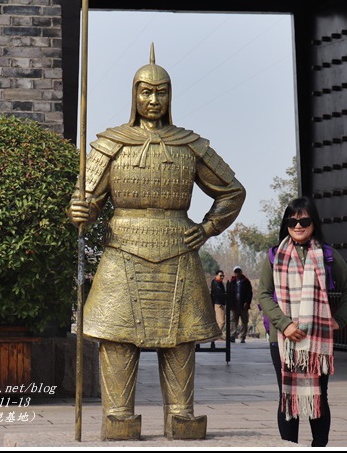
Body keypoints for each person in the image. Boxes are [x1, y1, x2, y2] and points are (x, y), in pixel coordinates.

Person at [69, 44, 246, 440]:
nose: (153, 99)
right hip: (122, 250)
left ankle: (182, 416)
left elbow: (232, 192)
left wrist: (208, 228)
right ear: (134, 95)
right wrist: (81, 210)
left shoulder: (190, 145)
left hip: (178, 248)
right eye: (145, 92)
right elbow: (88, 200)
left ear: (170, 95)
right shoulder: (110, 143)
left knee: (180, 339)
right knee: (117, 337)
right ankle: (118, 417)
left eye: (161, 91)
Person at [257, 196, 347, 446]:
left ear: (314, 222)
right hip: (282, 339)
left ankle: (319, 445)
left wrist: (339, 320)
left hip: (317, 340)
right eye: (292, 220)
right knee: (287, 395)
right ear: (286, 223)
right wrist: (286, 324)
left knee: (318, 396)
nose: (298, 225)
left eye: (304, 220)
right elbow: (263, 294)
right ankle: (289, 447)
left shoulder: (326, 255)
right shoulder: (273, 256)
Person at [230, 266, 253, 343]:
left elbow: (250, 293)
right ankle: (232, 336)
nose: (237, 273)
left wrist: (247, 302)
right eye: (236, 272)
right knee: (233, 321)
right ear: (234, 273)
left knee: (244, 322)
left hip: (243, 306)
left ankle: (242, 337)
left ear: (241, 272)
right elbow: (229, 294)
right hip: (234, 306)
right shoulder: (232, 282)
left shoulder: (246, 282)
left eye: (239, 272)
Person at [210, 270, 227, 348]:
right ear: (216, 275)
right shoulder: (215, 283)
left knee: (219, 322)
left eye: (223, 276)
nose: (222, 277)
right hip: (218, 304)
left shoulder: (220, 283)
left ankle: (215, 336)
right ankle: (216, 336)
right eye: (220, 276)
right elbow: (219, 293)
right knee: (222, 322)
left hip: (221, 303)